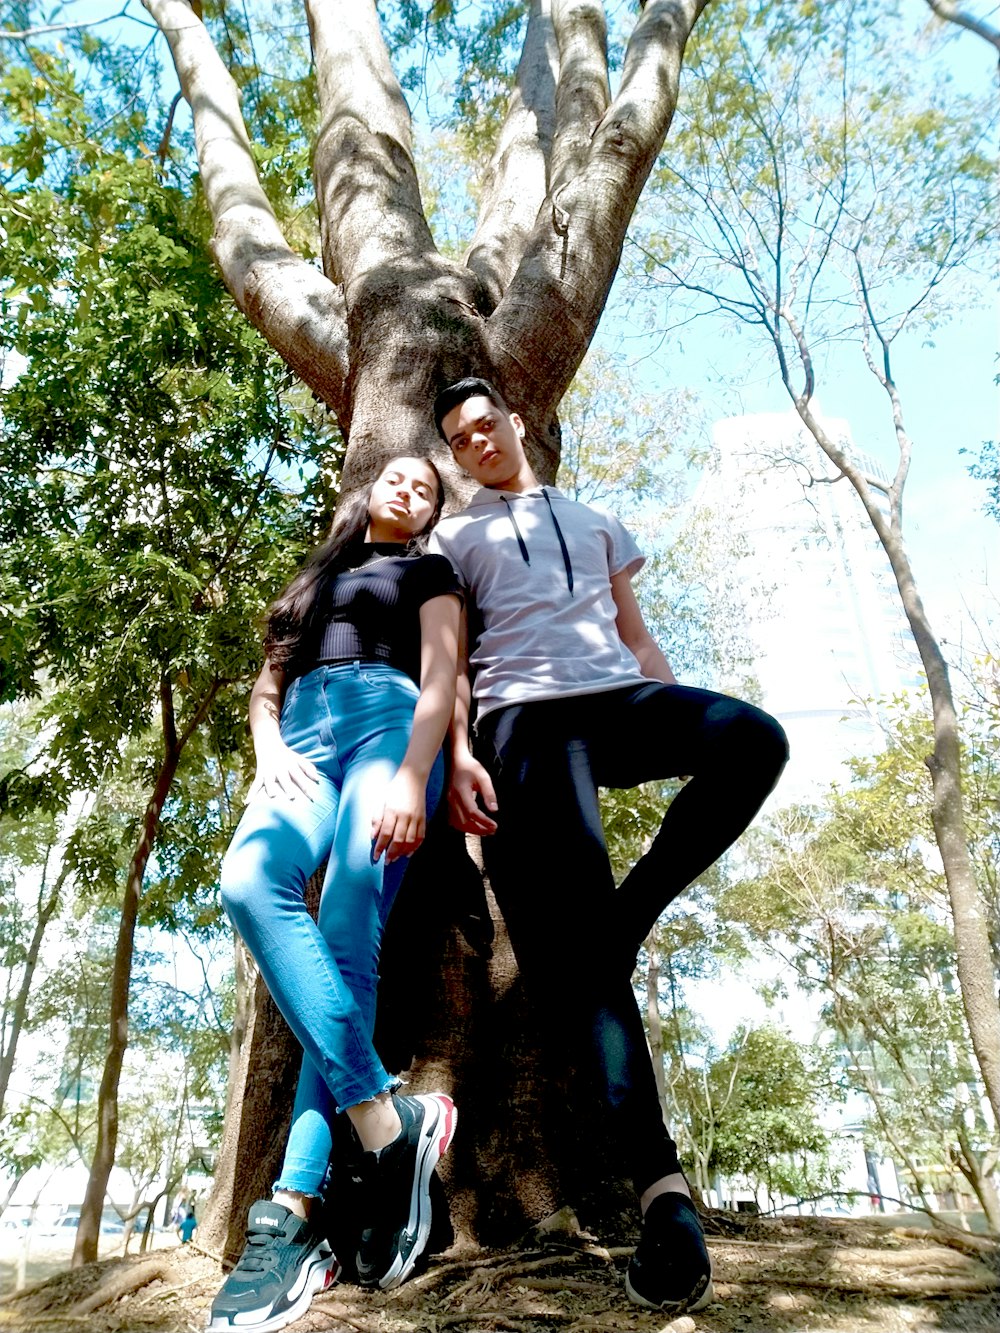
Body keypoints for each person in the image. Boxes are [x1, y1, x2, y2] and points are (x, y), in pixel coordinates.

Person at [430, 378, 789, 1316]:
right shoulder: (456, 539)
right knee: (592, 973)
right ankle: (665, 1200)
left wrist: (680, 721)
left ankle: (629, 917)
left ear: (516, 422)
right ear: (457, 455)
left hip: (616, 702)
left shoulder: (595, 520)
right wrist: (463, 757)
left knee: (755, 739)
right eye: (460, 441)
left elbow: (636, 635)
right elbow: (454, 663)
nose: (478, 444)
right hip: (524, 726)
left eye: (485, 426)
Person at [208, 457, 462, 1333]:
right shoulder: (318, 577)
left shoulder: (429, 571)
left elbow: (440, 677)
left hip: (389, 722)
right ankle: (390, 1128)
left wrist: (415, 775)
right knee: (248, 880)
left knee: (348, 922)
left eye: (425, 489)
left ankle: (293, 1210)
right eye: (397, 479)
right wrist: (266, 743)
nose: (407, 490)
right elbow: (267, 681)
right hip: (303, 739)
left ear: (430, 515)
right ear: (368, 491)